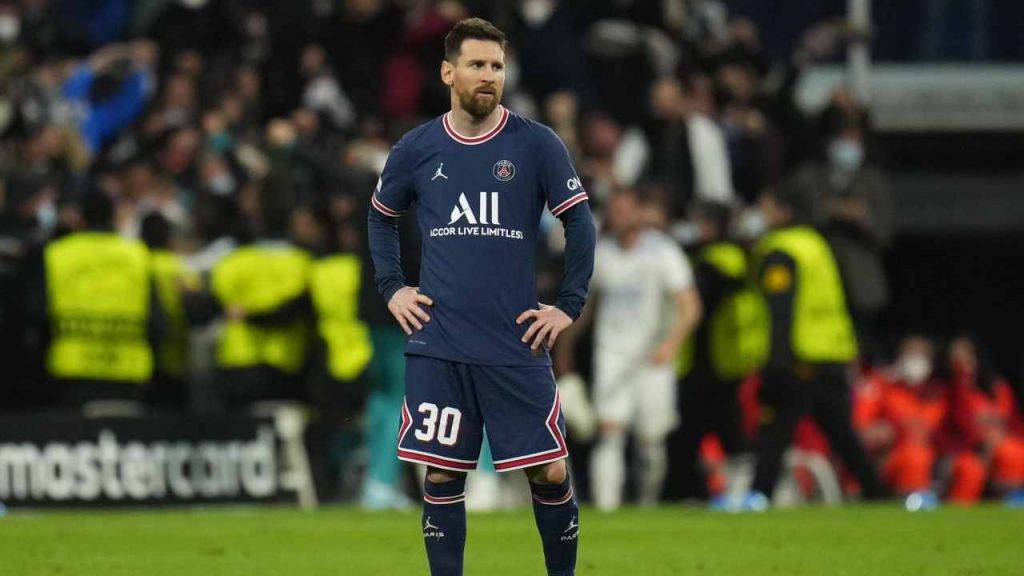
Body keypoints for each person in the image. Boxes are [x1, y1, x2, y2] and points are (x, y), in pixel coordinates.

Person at [367, 19, 596, 576]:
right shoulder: (417, 148)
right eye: (477, 64)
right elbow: (380, 218)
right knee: (442, 475)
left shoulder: (536, 144)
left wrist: (567, 306)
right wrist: (393, 288)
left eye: (496, 65)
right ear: (449, 72)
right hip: (440, 343)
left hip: (514, 342)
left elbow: (581, 225)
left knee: (550, 471)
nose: (489, 75)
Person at [744, 179, 886, 509]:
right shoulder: (816, 244)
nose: (760, 213)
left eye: (765, 206)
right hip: (831, 352)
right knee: (840, 433)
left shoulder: (781, 249)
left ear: (782, 211)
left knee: (776, 428)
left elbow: (782, 310)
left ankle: (757, 496)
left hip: (798, 356)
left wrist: (775, 363)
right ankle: (877, 492)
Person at [557, 189, 700, 511]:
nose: (618, 217)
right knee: (609, 431)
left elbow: (689, 306)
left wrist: (670, 344)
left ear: (638, 212)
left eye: (625, 210)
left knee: (651, 440)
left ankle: (646, 503)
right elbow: (585, 308)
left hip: (652, 358)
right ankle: (607, 512)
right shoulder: (602, 254)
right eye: (614, 211)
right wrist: (565, 346)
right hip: (612, 354)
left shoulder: (663, 253)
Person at [670, 200, 765, 501]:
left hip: (713, 361)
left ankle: (735, 493)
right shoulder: (735, 257)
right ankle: (706, 493)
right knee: (702, 432)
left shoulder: (715, 260)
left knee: (718, 433)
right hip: (722, 360)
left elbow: (701, 304)